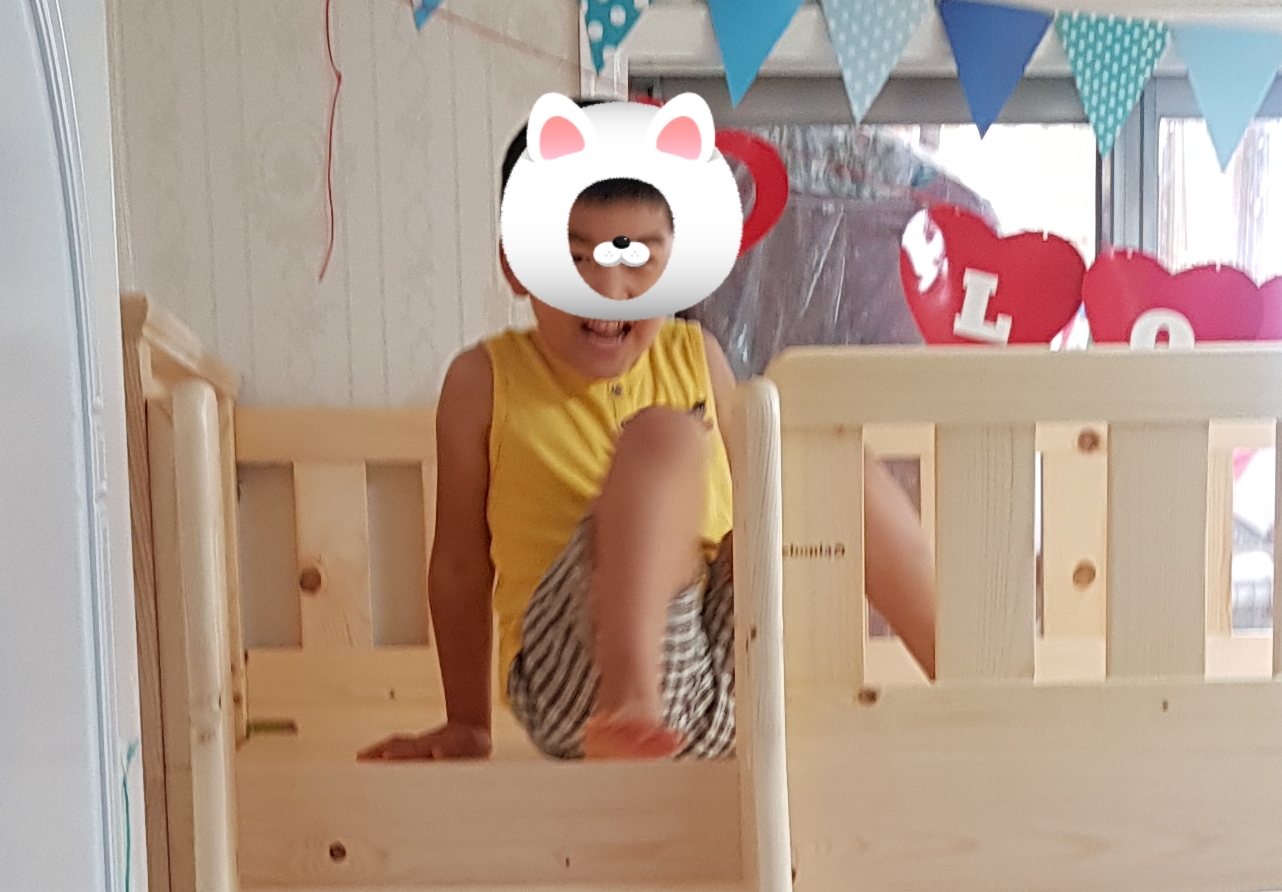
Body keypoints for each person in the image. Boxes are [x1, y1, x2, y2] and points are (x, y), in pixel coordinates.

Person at [362, 111, 936, 764]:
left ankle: (969, 685)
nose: (609, 292)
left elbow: (760, 516)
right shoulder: (484, 380)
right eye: (575, 257)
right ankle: (631, 701)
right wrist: (467, 723)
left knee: (823, 469)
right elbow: (461, 567)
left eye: (636, 257)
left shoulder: (699, 354)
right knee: (667, 435)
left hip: (726, 679)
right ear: (516, 265)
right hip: (577, 690)